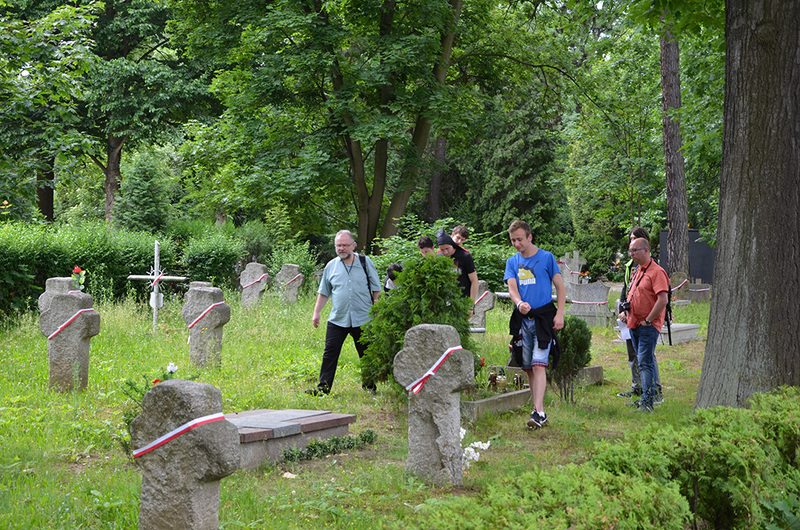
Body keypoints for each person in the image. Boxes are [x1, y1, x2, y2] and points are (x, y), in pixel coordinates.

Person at [504, 220, 566, 428]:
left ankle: (538, 411)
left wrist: (560, 314)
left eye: (520, 239)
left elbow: (560, 288)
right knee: (529, 367)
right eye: (513, 240)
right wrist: (519, 303)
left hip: (544, 319)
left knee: (540, 364)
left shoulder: (547, 258)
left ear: (530, 237)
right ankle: (538, 411)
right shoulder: (512, 262)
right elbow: (512, 288)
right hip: (523, 321)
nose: (516, 244)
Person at [307, 230, 381, 396]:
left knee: (366, 354)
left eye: (345, 245)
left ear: (353, 245)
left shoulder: (365, 262)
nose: (341, 248)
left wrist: (377, 313)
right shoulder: (331, 266)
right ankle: (323, 389)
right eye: (338, 245)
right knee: (329, 353)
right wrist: (316, 313)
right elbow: (324, 292)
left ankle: (369, 387)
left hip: (363, 318)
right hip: (338, 319)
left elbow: (376, 290)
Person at [619, 237, 669, 412]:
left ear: (646, 250)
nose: (631, 254)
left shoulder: (657, 272)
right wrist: (626, 313)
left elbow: (663, 300)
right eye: (630, 251)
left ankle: (648, 402)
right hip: (634, 323)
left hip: (648, 325)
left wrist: (648, 320)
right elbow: (632, 295)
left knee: (645, 362)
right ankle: (644, 398)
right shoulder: (637, 271)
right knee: (642, 362)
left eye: (635, 250)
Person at [436, 229, 478, 301]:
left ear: (452, 245)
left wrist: (471, 304)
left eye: (447, 248)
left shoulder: (465, 256)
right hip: (446, 298)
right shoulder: (439, 257)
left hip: (463, 298)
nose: (445, 252)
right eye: (442, 250)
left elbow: (474, 281)